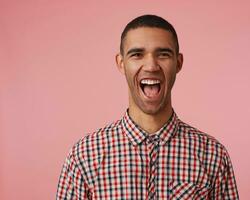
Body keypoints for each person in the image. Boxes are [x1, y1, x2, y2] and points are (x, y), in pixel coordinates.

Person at [56, 14, 239, 199]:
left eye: (163, 54)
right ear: (121, 63)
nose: (151, 66)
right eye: (137, 55)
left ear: (178, 63)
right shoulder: (83, 157)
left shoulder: (213, 155)